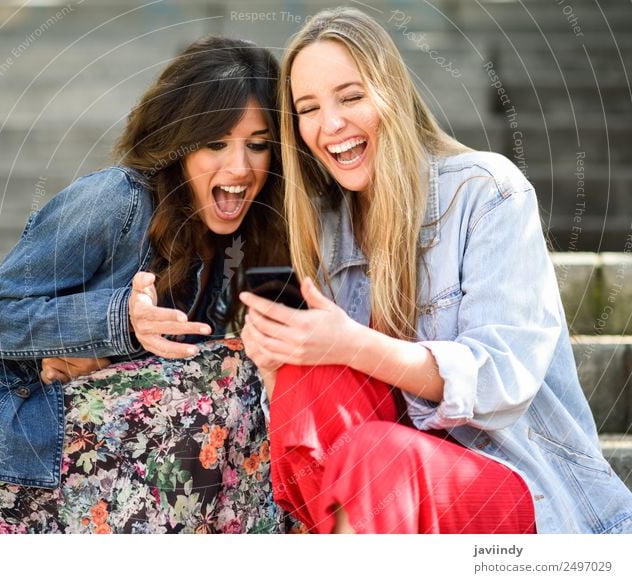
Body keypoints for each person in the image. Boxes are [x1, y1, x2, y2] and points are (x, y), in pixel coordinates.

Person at [240, 7, 632, 534]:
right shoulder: (327, 228)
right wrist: (277, 362)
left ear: (392, 94)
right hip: (382, 493)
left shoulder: (487, 192)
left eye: (351, 97)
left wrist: (351, 344)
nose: (330, 125)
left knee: (377, 455)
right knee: (311, 376)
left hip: (514, 486)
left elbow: (502, 380)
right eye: (308, 108)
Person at [0, 36, 291, 533]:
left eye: (258, 145)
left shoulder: (232, 240)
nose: (240, 167)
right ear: (176, 145)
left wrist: (108, 356)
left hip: (91, 459)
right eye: (215, 143)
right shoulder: (116, 200)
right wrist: (115, 321)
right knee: (227, 371)